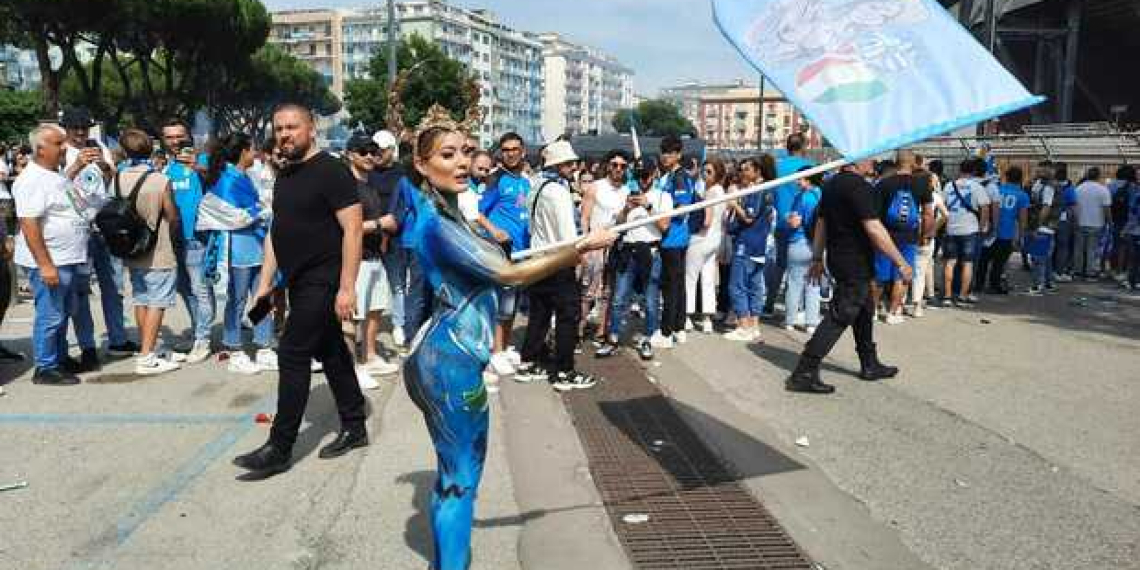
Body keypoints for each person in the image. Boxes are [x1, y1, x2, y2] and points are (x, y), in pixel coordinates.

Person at [395, 107, 613, 570]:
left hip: (451, 356)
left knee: (457, 475)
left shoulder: (457, 217)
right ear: (421, 164)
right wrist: (579, 248)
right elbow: (509, 274)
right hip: (448, 360)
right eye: (447, 154)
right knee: (460, 479)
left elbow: (496, 261)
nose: (460, 162)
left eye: (466, 152)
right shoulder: (436, 224)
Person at [233, 104, 369, 477]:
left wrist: (346, 287)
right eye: (279, 129)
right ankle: (355, 425)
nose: (284, 134)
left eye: (292, 127)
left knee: (292, 351)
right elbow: (279, 233)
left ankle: (280, 446)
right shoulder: (286, 175)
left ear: (312, 129)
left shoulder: (332, 171)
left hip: (323, 280)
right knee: (331, 353)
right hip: (296, 280)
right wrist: (265, 284)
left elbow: (353, 230)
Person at [786, 161, 913, 394]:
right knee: (841, 314)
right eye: (869, 157)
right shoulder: (858, 187)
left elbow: (822, 224)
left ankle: (869, 363)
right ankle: (804, 371)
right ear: (858, 160)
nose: (873, 162)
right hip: (853, 260)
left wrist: (817, 258)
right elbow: (874, 228)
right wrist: (900, 261)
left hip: (841, 257)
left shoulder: (831, 184)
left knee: (865, 308)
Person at [514, 140, 596, 390]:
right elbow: (568, 234)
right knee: (568, 316)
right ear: (559, 165)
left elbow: (530, 225)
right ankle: (564, 371)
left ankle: (530, 360)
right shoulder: (559, 192)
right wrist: (579, 254)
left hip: (539, 259)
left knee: (539, 313)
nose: (574, 167)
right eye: (569, 163)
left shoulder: (535, 185)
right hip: (558, 260)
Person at [13, 125, 92, 385]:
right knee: (51, 314)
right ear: (40, 149)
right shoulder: (31, 180)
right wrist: (45, 265)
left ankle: (59, 357)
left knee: (64, 311)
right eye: (59, 144)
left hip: (67, 258)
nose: (65, 148)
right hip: (52, 261)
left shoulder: (53, 174)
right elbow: (29, 223)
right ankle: (45, 367)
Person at [61, 107, 136, 369]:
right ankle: (87, 347)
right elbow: (57, 187)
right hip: (77, 229)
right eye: (75, 128)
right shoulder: (61, 151)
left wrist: (104, 166)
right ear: (66, 129)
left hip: (104, 226)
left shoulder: (99, 145)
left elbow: (109, 180)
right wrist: (76, 165)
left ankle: (118, 338)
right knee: (81, 292)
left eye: (84, 127)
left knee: (113, 287)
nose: (81, 133)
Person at [203, 133, 276, 375]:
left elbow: (251, 210)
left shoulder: (243, 175)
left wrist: (260, 211)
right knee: (237, 300)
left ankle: (263, 345)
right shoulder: (226, 179)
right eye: (253, 148)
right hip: (236, 250)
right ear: (243, 151)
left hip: (257, 246)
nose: (256, 153)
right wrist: (261, 211)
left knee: (263, 297)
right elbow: (231, 216)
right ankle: (234, 349)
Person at [116, 129, 183, 375]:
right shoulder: (159, 180)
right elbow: (172, 215)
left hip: (131, 249)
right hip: (158, 249)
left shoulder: (118, 178)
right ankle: (147, 356)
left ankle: (148, 347)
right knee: (157, 302)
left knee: (141, 298)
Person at [598, 159, 669, 361]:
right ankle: (612, 338)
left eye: (646, 175)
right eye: (638, 175)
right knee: (619, 297)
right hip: (628, 252)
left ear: (654, 174)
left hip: (651, 252)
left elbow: (665, 227)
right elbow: (616, 225)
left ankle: (647, 338)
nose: (642, 180)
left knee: (650, 299)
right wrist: (626, 210)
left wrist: (649, 206)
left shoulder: (663, 196)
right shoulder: (625, 194)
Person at [344, 132, 399, 386]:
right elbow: (346, 226)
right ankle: (352, 367)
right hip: (357, 259)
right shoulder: (346, 187)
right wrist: (380, 224)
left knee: (375, 309)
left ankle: (370, 356)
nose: (369, 156)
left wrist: (384, 233)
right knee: (353, 315)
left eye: (373, 152)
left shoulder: (370, 184)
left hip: (376, 257)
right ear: (350, 154)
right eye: (363, 151)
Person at [476, 133, 531, 376]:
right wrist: (494, 231)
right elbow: (476, 213)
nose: (510, 153)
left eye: (515, 149)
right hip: (499, 250)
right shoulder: (495, 180)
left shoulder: (527, 181)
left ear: (523, 151)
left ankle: (505, 346)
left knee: (513, 301)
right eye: (506, 149)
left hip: (522, 250)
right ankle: (495, 351)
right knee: (501, 302)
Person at [161, 118, 214, 364]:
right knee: (185, 289)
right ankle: (197, 333)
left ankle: (203, 340)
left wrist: (197, 166)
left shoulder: (201, 161)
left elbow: (216, 180)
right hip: (173, 239)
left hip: (197, 238)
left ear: (188, 137)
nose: (175, 141)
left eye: (179, 136)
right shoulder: (164, 167)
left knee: (200, 289)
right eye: (170, 137)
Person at [873, 150, 934, 323]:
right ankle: (893, 313)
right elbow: (928, 214)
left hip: (885, 235)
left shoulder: (883, 184)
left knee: (879, 275)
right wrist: (926, 235)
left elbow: (875, 215)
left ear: (895, 162)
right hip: (909, 236)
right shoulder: (922, 184)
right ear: (914, 162)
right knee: (903, 275)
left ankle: (872, 312)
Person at [578, 150, 629, 343]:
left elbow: (624, 220)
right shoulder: (595, 187)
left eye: (622, 166)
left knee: (609, 290)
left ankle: (601, 330)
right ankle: (579, 329)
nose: (618, 169)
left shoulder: (626, 191)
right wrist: (584, 244)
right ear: (608, 165)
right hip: (594, 245)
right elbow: (585, 217)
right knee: (588, 291)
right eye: (614, 165)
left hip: (616, 246)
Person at [724, 156, 775, 342]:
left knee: (737, 285)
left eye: (746, 169)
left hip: (747, 244)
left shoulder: (758, 191)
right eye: (741, 169)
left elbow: (748, 218)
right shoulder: (767, 190)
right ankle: (753, 325)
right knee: (754, 286)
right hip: (759, 245)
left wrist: (734, 203)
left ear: (757, 171)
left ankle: (744, 325)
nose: (742, 173)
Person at [766, 133, 815, 317]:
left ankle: (769, 303)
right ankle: (797, 309)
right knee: (801, 269)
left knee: (780, 266)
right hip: (803, 224)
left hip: (782, 222)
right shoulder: (809, 167)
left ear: (787, 146)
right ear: (804, 146)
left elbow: (770, 195)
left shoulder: (777, 167)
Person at [654, 135, 697, 347]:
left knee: (671, 286)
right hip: (673, 238)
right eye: (663, 152)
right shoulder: (670, 175)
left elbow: (682, 207)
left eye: (670, 152)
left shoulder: (679, 177)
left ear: (678, 154)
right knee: (677, 285)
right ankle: (679, 327)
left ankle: (666, 332)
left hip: (673, 238)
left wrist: (664, 223)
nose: (665, 156)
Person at [370, 130, 409, 348]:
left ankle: (398, 324)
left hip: (396, 235)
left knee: (397, 283)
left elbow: (404, 203)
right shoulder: (367, 171)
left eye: (381, 150)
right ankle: (365, 327)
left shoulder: (402, 174)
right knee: (367, 283)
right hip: (369, 235)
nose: (376, 155)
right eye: (374, 150)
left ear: (391, 150)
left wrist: (392, 225)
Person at [940, 159, 991, 306]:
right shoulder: (977, 187)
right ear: (973, 171)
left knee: (950, 263)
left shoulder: (949, 186)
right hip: (970, 230)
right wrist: (982, 227)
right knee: (967, 264)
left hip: (951, 228)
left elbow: (943, 206)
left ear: (959, 170)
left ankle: (947, 296)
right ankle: (963, 296)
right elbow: (985, 209)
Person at [685, 158, 727, 334]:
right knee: (708, 279)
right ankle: (707, 319)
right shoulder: (721, 191)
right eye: (704, 171)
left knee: (691, 278)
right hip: (715, 239)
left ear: (717, 173)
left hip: (702, 238)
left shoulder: (710, 192)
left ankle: (687, 316)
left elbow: (707, 220)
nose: (705, 174)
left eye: (709, 172)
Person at [783, 168, 824, 333]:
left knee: (794, 283)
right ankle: (811, 322)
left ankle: (790, 320)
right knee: (813, 284)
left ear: (807, 179)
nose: (797, 182)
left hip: (798, 242)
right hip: (816, 244)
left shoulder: (802, 197)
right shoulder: (820, 195)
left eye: (799, 179)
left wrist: (788, 218)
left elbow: (795, 222)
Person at [978, 166, 1029, 294]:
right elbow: (1023, 218)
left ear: (1006, 177)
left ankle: (978, 284)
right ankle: (994, 285)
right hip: (1006, 232)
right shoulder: (1022, 195)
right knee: (999, 262)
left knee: (984, 259)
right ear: (1020, 179)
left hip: (989, 230)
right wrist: (1021, 236)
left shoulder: (997, 190)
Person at [1026, 162, 1060, 295]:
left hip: (1043, 226)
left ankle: (1037, 285)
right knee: (1045, 256)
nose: (1039, 171)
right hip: (1045, 225)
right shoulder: (1039, 183)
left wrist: (1038, 225)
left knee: (1038, 257)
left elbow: (1046, 207)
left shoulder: (1049, 187)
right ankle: (1048, 283)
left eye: (1043, 169)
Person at [1072, 167, 1112, 279]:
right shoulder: (1103, 190)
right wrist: (1109, 222)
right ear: (1098, 176)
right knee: (1092, 249)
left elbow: (1074, 206)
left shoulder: (1078, 188)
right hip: (1097, 223)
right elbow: (1106, 209)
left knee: (1078, 248)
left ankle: (1078, 271)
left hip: (1080, 222)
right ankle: (1090, 272)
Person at [1110, 166, 1138, 283]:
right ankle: (1125, 272)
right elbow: (1133, 208)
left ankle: (1115, 270)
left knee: (1117, 245)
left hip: (1116, 219)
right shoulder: (1132, 188)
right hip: (1129, 222)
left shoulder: (1112, 185)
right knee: (1127, 248)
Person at [1051, 163, 1077, 281]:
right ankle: (1059, 271)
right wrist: (1074, 221)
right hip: (1063, 221)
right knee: (1062, 246)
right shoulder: (1070, 188)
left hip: (1050, 219)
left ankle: (1047, 270)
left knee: (1051, 245)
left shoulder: (1049, 186)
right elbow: (1073, 206)